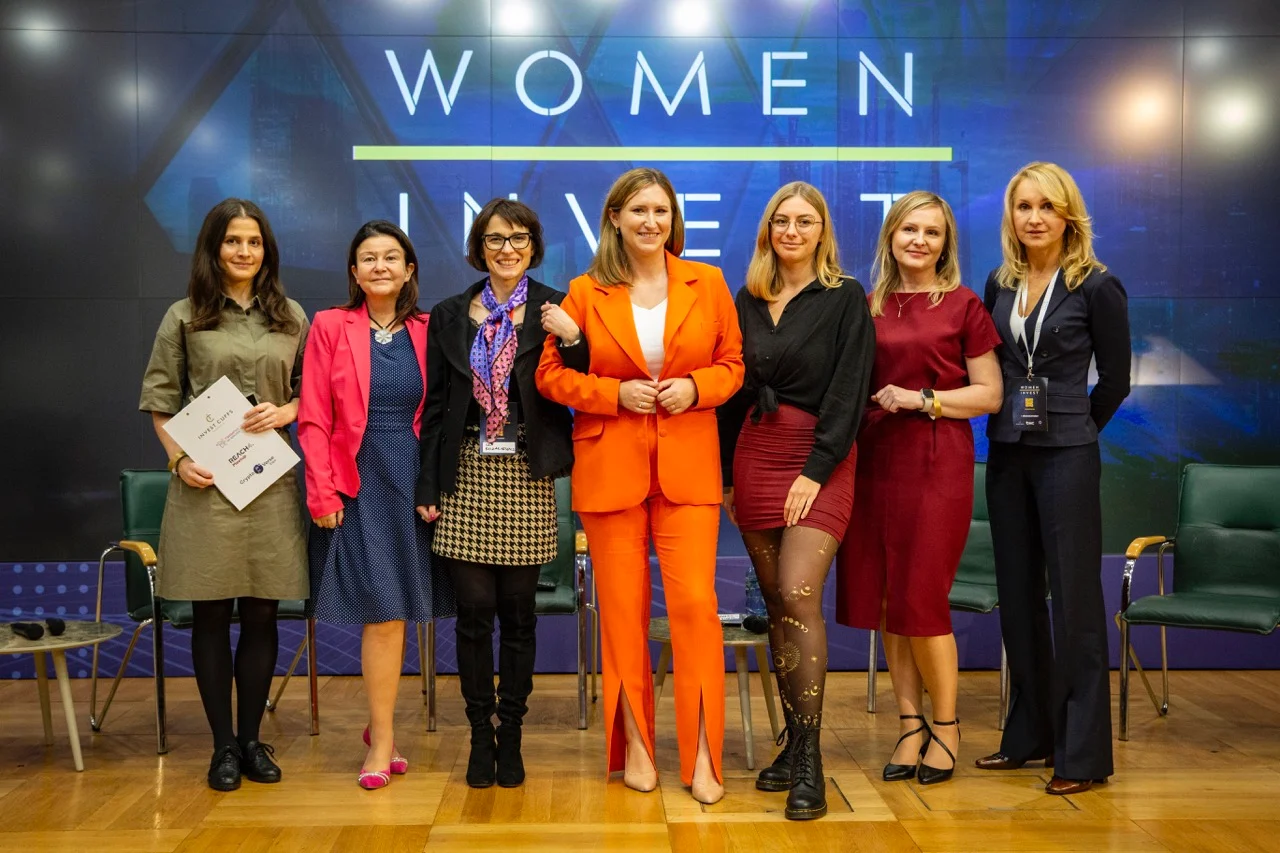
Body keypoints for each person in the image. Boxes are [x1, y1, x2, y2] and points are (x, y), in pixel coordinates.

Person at [535, 167, 744, 805]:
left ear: (672, 219)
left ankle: (704, 757)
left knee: (696, 611)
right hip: (610, 469)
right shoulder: (584, 291)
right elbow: (549, 375)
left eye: (661, 211)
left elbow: (733, 366)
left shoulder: (707, 282)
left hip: (689, 468)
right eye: (639, 211)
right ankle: (637, 751)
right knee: (623, 615)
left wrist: (696, 387)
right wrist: (613, 394)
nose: (651, 221)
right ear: (615, 219)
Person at [139, 198, 309, 792]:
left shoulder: (291, 315)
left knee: (262, 614)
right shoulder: (183, 315)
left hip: (269, 484)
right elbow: (161, 400)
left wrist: (286, 410)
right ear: (214, 248)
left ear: (267, 251)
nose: (244, 251)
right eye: (233, 241)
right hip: (206, 485)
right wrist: (178, 459)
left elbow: (312, 394)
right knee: (211, 616)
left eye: (254, 242)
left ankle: (252, 741)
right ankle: (222, 748)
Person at [835, 191, 1003, 787]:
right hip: (874, 462)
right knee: (889, 601)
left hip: (936, 463)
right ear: (891, 236)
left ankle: (948, 727)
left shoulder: (964, 305)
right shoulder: (867, 304)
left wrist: (923, 399)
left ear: (945, 243)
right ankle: (910, 726)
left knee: (922, 600)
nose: (919, 241)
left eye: (932, 232)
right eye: (910, 229)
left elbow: (990, 394)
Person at [718, 181, 875, 820]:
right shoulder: (747, 299)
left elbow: (850, 390)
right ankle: (792, 744)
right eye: (781, 221)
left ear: (822, 232)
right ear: (767, 231)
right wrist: (726, 479)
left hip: (819, 457)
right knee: (778, 603)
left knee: (798, 591)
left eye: (805, 221)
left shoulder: (845, 297)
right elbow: (732, 394)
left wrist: (816, 469)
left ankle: (809, 758)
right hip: (755, 455)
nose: (791, 231)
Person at [974, 162, 1131, 795]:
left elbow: (1115, 381)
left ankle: (1082, 755)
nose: (1034, 217)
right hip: (1007, 450)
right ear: (1010, 215)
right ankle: (1029, 736)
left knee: (1074, 603)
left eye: (1047, 206)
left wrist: (1076, 425)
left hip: (1068, 453)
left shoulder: (1098, 285)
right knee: (1018, 599)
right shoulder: (1000, 282)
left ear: (1069, 215)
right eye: (1023, 206)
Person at [413, 199, 580, 789]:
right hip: (465, 471)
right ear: (478, 248)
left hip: (527, 473)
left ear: (534, 245)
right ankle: (479, 734)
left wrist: (574, 338)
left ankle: (512, 733)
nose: (507, 249)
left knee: (518, 614)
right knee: (474, 613)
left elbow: (585, 376)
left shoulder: (556, 306)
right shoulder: (451, 313)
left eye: (518, 238)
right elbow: (435, 406)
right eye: (494, 239)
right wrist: (428, 483)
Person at [299, 220, 454, 790]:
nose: (380, 266)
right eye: (369, 257)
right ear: (355, 272)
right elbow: (314, 417)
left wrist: (436, 486)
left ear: (410, 270)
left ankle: (379, 722)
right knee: (384, 614)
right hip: (356, 484)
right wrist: (321, 490)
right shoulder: (329, 325)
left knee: (408, 609)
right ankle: (384, 740)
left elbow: (443, 417)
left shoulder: (431, 329)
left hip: (416, 485)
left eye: (392, 257)